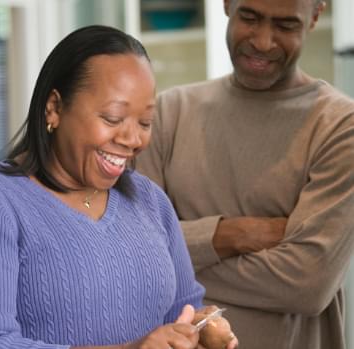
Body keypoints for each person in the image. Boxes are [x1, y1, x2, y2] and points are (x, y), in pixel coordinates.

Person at [0, 25, 238, 349]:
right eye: (112, 118)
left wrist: (201, 330)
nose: (133, 139)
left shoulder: (151, 202)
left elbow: (183, 312)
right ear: (54, 107)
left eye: (145, 123)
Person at [136, 0, 354, 348]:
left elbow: (308, 284)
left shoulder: (341, 127)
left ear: (315, 17)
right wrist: (228, 235)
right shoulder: (168, 114)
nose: (264, 41)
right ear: (226, 5)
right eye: (250, 18)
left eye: (285, 26)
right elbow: (136, 254)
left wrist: (176, 252)